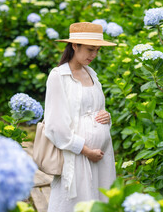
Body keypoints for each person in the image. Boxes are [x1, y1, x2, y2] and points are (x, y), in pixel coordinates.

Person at [44, 22, 117, 212]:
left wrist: (106, 116)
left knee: (100, 201)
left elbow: (95, 108)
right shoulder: (59, 76)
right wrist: (84, 150)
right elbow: (54, 125)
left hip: (101, 156)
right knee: (75, 204)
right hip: (77, 155)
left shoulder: (91, 73)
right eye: (90, 49)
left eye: (97, 50)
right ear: (74, 46)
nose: (93, 55)